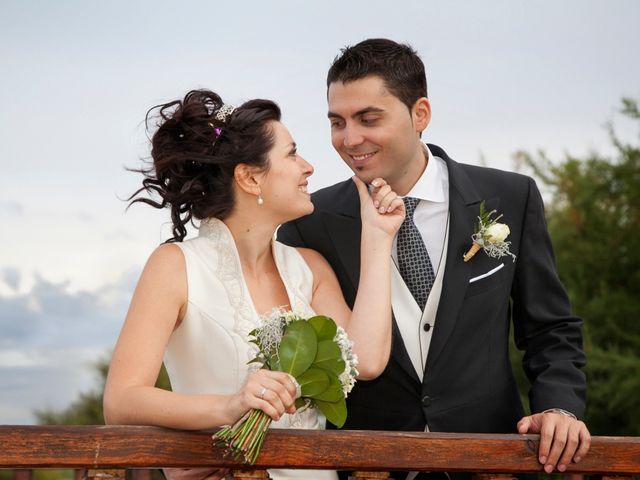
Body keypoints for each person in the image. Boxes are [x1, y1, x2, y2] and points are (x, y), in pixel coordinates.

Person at [278, 38, 591, 479]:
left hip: (492, 463)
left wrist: (560, 406)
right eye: (337, 122)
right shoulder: (310, 224)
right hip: (369, 466)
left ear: (420, 114)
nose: (350, 140)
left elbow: (550, 329)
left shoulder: (510, 197)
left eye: (369, 118)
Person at [103, 89, 405, 480]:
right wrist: (229, 406)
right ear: (248, 177)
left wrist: (379, 237)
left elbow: (366, 362)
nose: (308, 167)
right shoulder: (175, 266)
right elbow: (121, 400)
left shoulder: (309, 269)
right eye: (292, 154)